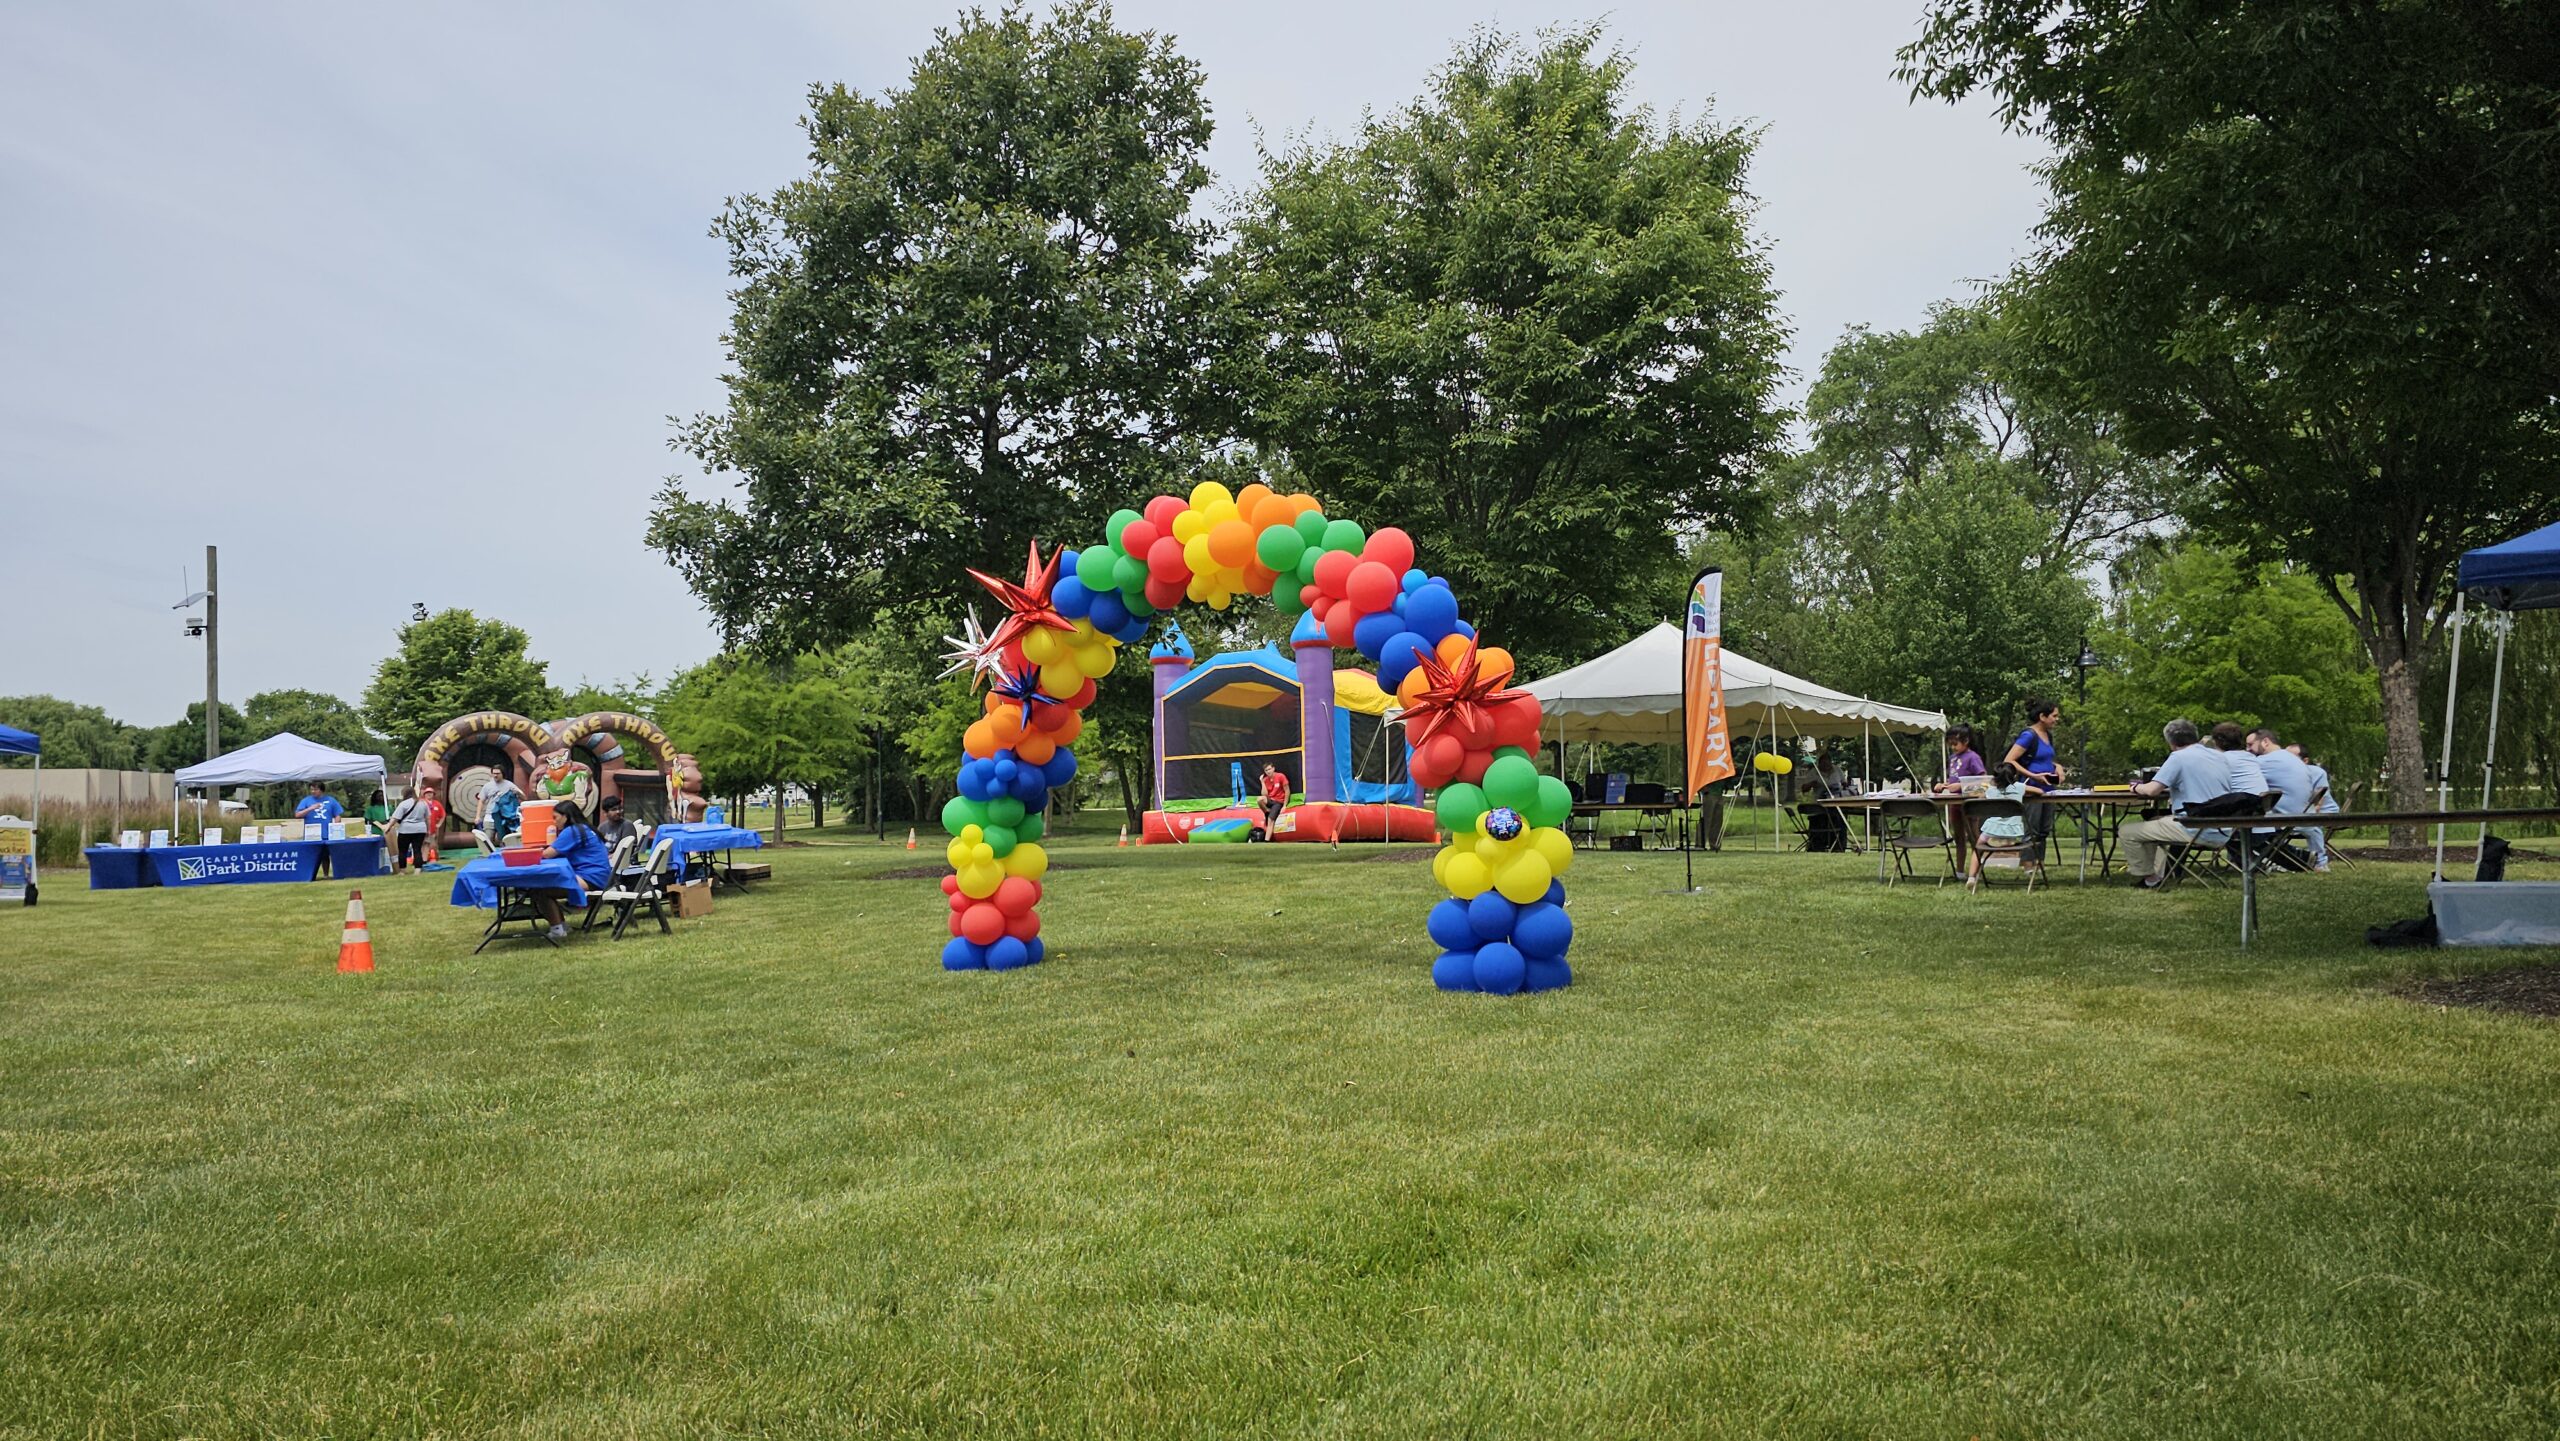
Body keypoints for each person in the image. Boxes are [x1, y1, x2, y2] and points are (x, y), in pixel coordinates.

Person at [2119, 719, 2240, 889]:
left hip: (2194, 827)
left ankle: (2149, 878)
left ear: (2171, 742)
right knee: (2155, 823)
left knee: (2127, 831)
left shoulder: (2179, 757)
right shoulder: (2219, 756)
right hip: (2223, 828)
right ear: (2195, 737)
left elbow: (2152, 790)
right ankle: (2159, 874)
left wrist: (2136, 787)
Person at [529, 800, 613, 941]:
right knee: (545, 888)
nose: (554, 822)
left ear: (565, 817)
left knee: (542, 891)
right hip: (601, 876)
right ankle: (561, 925)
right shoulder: (585, 828)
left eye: (555, 817)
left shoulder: (572, 831)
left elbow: (547, 854)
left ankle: (557, 930)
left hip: (591, 878)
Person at [2002, 698, 2064, 871]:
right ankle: (2028, 866)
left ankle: (2040, 863)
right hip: (2031, 789)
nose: (2057, 719)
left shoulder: (2048, 736)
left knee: (2044, 829)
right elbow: (2010, 760)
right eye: (2054, 716)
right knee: (2032, 828)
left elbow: (2046, 759)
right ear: (2042, 716)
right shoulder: (2029, 735)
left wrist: (2057, 767)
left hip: (2048, 790)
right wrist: (2034, 776)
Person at [385, 787, 436, 874]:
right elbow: (428, 818)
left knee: (402, 851)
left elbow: (395, 818)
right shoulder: (423, 803)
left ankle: (402, 870)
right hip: (420, 829)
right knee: (417, 850)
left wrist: (388, 827)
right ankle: (417, 870)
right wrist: (428, 830)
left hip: (405, 830)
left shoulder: (403, 804)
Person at [2213, 721, 2268, 795]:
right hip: (2261, 803)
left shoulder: (2222, 759)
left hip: (2243, 804)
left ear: (2219, 741)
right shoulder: (2250, 757)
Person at [1936, 724, 1988, 793]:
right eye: (1950, 744)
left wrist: (1961, 786)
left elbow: (1984, 781)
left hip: (1968, 801)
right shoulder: (1952, 758)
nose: (1953, 747)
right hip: (1953, 801)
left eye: (1955, 744)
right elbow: (1954, 780)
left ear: (1966, 741)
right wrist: (1944, 785)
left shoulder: (1973, 757)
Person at [481, 767, 524, 846]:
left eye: (497, 773)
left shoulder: (509, 785)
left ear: (502, 774)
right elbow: (481, 801)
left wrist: (517, 793)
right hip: (489, 816)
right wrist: (477, 816)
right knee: (488, 839)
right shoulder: (487, 786)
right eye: (494, 773)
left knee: (504, 839)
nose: (495, 775)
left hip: (504, 818)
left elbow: (523, 797)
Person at [1257, 762, 1291, 837]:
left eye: (1269, 769)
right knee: (1259, 799)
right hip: (1270, 800)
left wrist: (1284, 805)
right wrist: (1262, 782)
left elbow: (1287, 791)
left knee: (1270, 820)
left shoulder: (1280, 776)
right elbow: (1264, 794)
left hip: (1278, 802)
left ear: (1273, 768)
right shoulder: (1265, 780)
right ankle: (1266, 811)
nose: (1268, 771)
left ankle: (1267, 840)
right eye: (1266, 770)